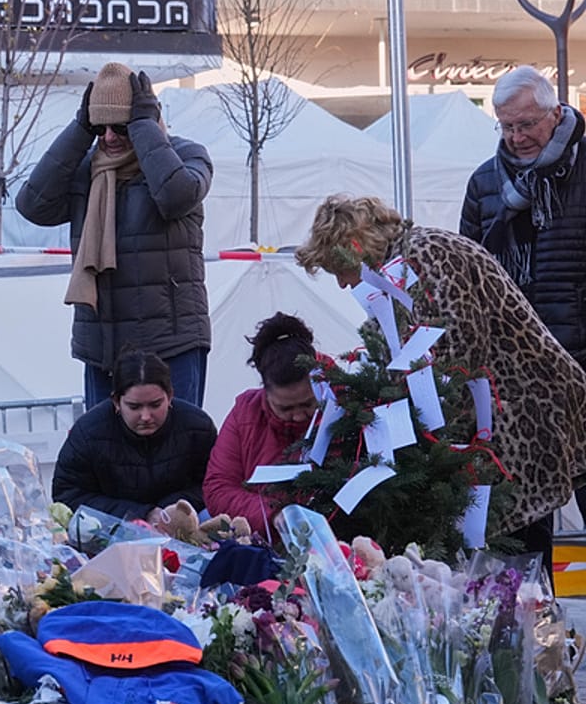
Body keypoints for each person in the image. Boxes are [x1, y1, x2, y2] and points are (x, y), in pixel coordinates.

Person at [297, 194, 586, 565]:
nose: (340, 284)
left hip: (523, 416)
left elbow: (457, 355)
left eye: (338, 269)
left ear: (356, 247)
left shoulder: (428, 256)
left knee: (519, 553)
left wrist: (423, 437)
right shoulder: (400, 268)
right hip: (503, 417)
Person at [15, 62, 212, 413]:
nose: (108, 137)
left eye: (120, 126)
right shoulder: (88, 170)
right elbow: (32, 205)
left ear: (145, 120)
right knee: (106, 463)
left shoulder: (186, 156)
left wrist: (142, 127)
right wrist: (78, 130)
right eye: (99, 127)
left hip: (171, 344)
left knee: (179, 457)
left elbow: (176, 195)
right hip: (104, 348)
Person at [460, 65, 586, 371]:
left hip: (580, 353)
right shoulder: (483, 182)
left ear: (555, 114)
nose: (517, 137)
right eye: (506, 126)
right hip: (514, 357)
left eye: (527, 124)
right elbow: (467, 272)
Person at [51, 349, 217, 522]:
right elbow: (67, 495)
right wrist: (141, 513)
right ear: (116, 402)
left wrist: (169, 510)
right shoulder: (88, 433)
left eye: (155, 405)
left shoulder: (198, 427)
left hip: (183, 523)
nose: (145, 416)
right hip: (112, 531)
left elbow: (215, 485)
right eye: (134, 407)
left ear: (170, 396)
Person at [202, 313, 320, 542]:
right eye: (285, 408)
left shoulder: (343, 413)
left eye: (308, 404)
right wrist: (274, 514)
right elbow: (218, 488)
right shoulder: (245, 413)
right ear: (265, 392)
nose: (297, 416)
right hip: (259, 538)